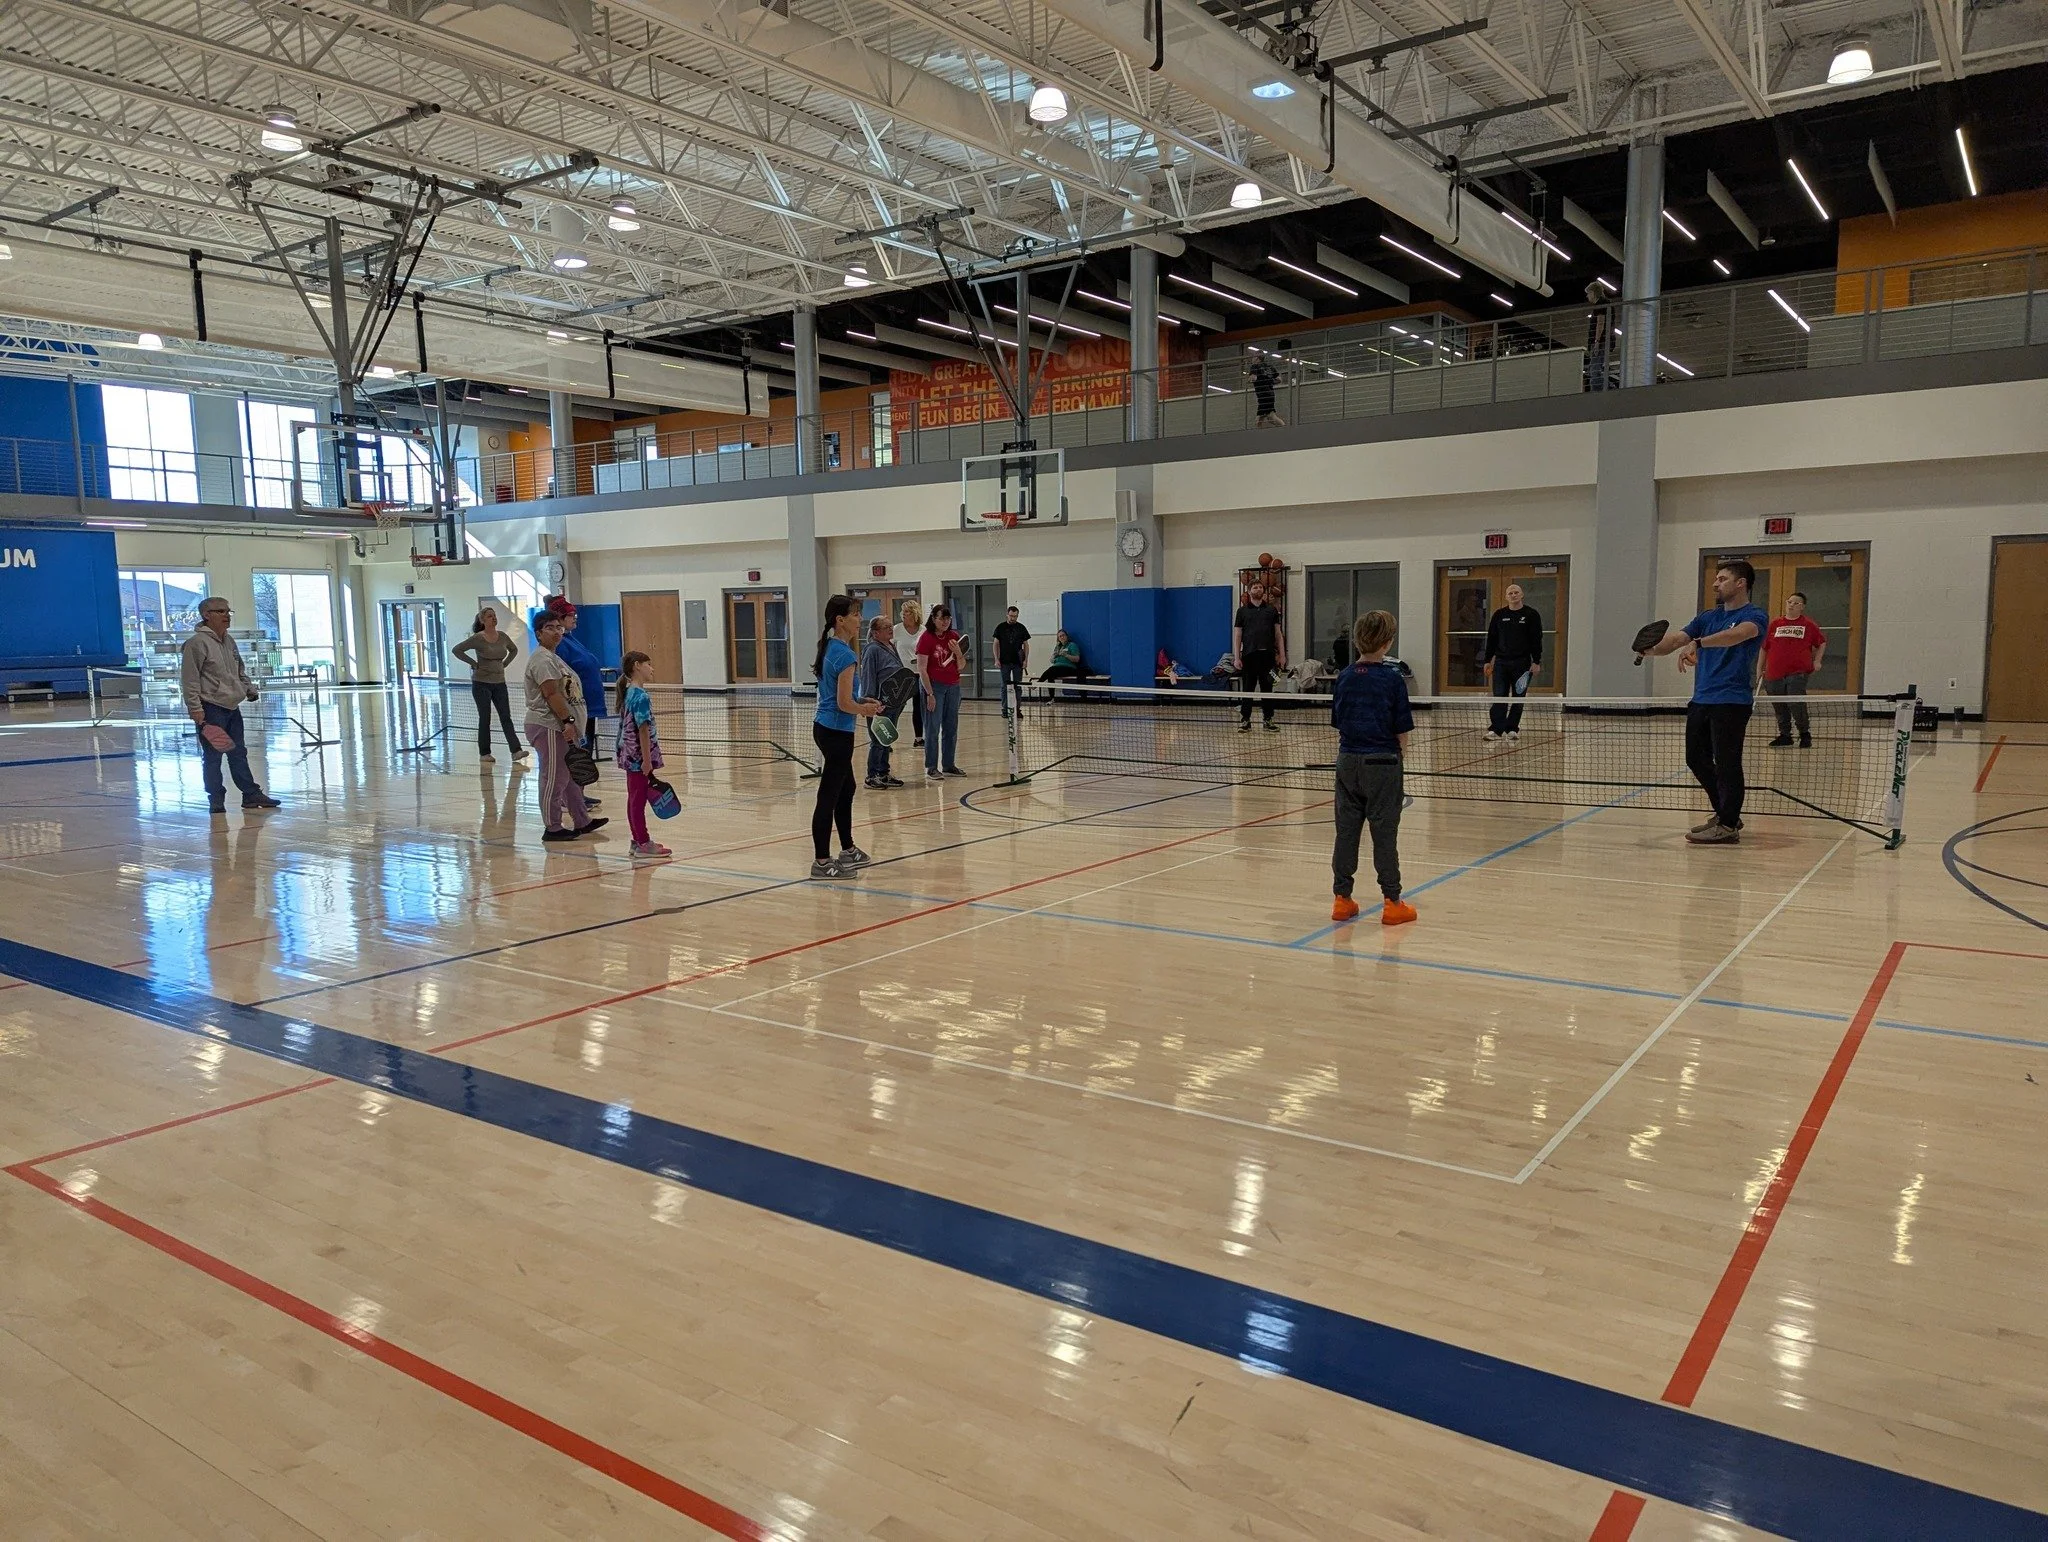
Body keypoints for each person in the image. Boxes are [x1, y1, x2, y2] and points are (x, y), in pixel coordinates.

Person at [1638, 559, 1770, 845]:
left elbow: (1737, 635)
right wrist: (1651, 650)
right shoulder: (1707, 617)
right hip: (1702, 699)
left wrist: (1699, 643)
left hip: (1732, 701)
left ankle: (1728, 825)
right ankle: (1726, 813)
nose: (1715, 584)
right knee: (1695, 758)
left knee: (1727, 762)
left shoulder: (1755, 615)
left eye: (1722, 579)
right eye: (1716, 579)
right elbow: (1676, 640)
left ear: (1740, 583)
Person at [1329, 610, 1416, 927]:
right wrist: (1400, 759)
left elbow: (1338, 721)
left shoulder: (1345, 676)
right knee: (1384, 835)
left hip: (1347, 761)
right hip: (1383, 763)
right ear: (1388, 642)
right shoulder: (1393, 679)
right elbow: (1401, 729)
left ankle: (1342, 899)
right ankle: (1392, 902)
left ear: (1357, 640)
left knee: (1346, 833)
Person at [179, 596, 281, 815]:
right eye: (221, 611)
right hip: (210, 708)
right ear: (207, 615)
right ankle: (216, 798)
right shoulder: (196, 644)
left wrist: (248, 688)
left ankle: (251, 795)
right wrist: (195, 708)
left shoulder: (229, 641)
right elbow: (190, 679)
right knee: (213, 756)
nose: (226, 615)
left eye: (228, 611)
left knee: (238, 753)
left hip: (232, 708)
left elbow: (238, 670)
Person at [811, 594, 880, 878]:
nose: (860, 619)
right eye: (855, 614)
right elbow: (843, 703)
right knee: (828, 795)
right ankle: (822, 861)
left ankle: (848, 850)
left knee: (847, 787)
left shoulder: (830, 646)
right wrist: (864, 710)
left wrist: (862, 701)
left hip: (824, 727)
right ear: (840, 620)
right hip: (837, 731)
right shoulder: (846, 655)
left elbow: (842, 696)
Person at [523, 610, 607, 844]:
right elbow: (551, 694)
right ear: (538, 633)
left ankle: (582, 820)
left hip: (561, 726)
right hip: (549, 725)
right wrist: (567, 721)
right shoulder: (541, 659)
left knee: (570, 777)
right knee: (554, 778)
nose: (556, 632)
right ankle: (552, 827)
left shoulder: (553, 657)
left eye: (559, 627)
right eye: (550, 628)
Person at [544, 596, 606, 805]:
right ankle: (568, 797)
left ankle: (578, 793)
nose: (575, 618)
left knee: (584, 752)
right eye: (571, 615)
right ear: (560, 618)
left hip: (589, 707)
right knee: (576, 752)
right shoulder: (560, 645)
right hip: (576, 707)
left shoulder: (572, 639)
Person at [451, 607, 528, 765]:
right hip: (481, 683)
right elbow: (457, 650)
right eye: (489, 616)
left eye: (494, 615)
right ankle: (485, 752)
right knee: (485, 717)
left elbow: (513, 650)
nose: (493, 618)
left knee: (505, 716)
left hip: (499, 683)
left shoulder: (503, 636)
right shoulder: (478, 638)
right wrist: (473, 663)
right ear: (482, 620)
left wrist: (505, 663)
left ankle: (516, 750)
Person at [614, 650, 669, 860]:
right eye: (648, 664)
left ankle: (637, 841)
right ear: (637, 665)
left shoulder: (630, 692)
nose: (652, 669)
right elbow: (643, 730)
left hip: (630, 755)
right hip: (638, 757)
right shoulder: (640, 696)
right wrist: (647, 761)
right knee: (637, 801)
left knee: (634, 799)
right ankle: (643, 843)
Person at [1761, 591, 1826, 748]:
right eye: (1789, 602)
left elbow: (1821, 642)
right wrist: (1760, 668)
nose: (1791, 605)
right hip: (1774, 672)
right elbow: (1764, 647)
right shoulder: (1775, 624)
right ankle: (1785, 735)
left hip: (1797, 672)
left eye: (1796, 603)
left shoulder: (1808, 625)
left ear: (1802, 607)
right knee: (1779, 705)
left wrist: (1817, 661)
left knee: (1796, 702)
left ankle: (1804, 733)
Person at [1481, 582, 1544, 743]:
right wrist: (1488, 660)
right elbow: (1492, 638)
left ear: (1522, 595)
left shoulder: (1531, 615)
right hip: (1501, 663)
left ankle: (1512, 729)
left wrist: (1536, 661)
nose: (1513, 595)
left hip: (1522, 663)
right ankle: (1496, 729)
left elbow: (1536, 639)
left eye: (1516, 592)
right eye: (1510, 593)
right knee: (1499, 696)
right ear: (1506, 597)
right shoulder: (1499, 615)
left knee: (1518, 697)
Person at [916, 602, 966, 781]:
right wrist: (929, 694)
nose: (945, 622)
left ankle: (948, 764)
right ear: (933, 619)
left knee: (951, 727)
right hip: (934, 686)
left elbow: (961, 665)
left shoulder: (954, 637)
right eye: (941, 618)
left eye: (948, 618)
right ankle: (931, 767)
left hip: (953, 685)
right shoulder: (926, 638)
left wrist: (958, 652)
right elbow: (922, 669)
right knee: (932, 727)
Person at [860, 615, 907, 791]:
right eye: (886, 627)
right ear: (875, 633)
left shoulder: (890, 646)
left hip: (893, 702)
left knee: (887, 738)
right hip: (879, 703)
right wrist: (869, 700)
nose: (890, 629)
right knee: (878, 740)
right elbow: (868, 676)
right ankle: (872, 776)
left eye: (890, 626)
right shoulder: (872, 650)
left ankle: (883, 772)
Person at [1233, 577, 1285, 732]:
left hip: (1267, 657)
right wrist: (1237, 657)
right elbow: (1238, 635)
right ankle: (1245, 720)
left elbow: (1278, 634)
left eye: (1260, 587)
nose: (1258, 589)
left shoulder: (1271, 610)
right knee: (1247, 689)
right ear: (1249, 591)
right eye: (1255, 587)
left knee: (1267, 688)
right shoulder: (1242, 611)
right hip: (1249, 656)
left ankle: (1268, 719)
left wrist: (1282, 655)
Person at [894, 599, 926, 748]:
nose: (904, 614)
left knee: (919, 706)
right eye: (903, 612)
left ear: (914, 613)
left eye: (907, 611)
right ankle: (887, 738)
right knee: (897, 706)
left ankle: (918, 738)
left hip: (919, 672)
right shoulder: (897, 629)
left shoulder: (923, 630)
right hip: (903, 673)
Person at [992, 605, 1031, 716]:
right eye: (1011, 616)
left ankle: (1017, 709)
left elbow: (1026, 645)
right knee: (1005, 686)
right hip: (1004, 661)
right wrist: (996, 659)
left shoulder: (1021, 628)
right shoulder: (1000, 627)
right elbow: (995, 644)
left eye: (1015, 616)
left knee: (1017, 686)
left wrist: (1025, 660)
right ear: (1007, 615)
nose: (1013, 618)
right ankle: (1005, 709)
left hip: (1018, 662)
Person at [1583, 280, 1614, 392]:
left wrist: (1597, 341)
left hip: (1601, 342)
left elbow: (1600, 323)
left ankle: (1608, 388)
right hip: (1602, 341)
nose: (1587, 296)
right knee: (1593, 370)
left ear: (1593, 292)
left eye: (1588, 293)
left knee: (1594, 372)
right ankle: (1604, 389)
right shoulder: (1603, 304)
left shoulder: (1601, 304)